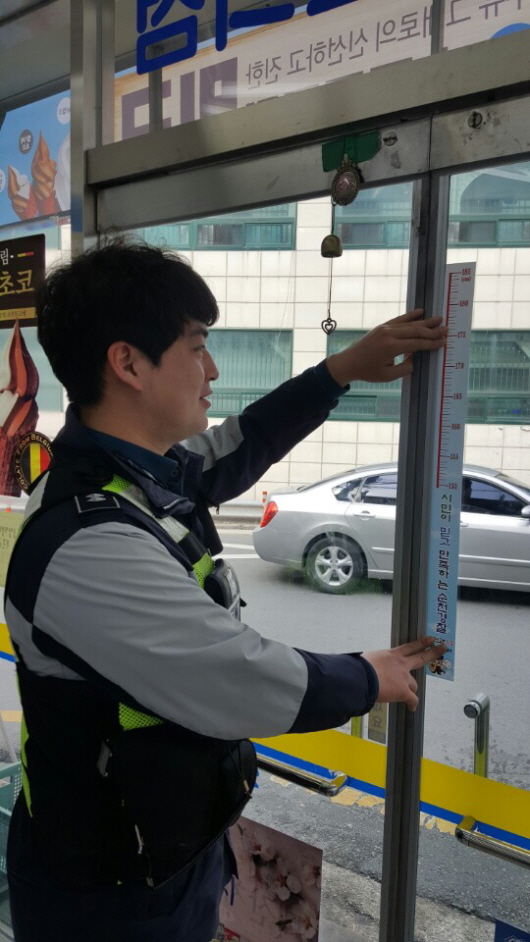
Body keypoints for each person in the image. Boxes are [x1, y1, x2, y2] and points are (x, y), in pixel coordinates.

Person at [5, 240, 447, 942]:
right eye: (197, 346)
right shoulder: (87, 542)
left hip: (158, 848)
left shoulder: (134, 472)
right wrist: (368, 678)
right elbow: (233, 676)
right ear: (128, 364)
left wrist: (339, 372)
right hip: (104, 896)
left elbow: (233, 450)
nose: (212, 370)